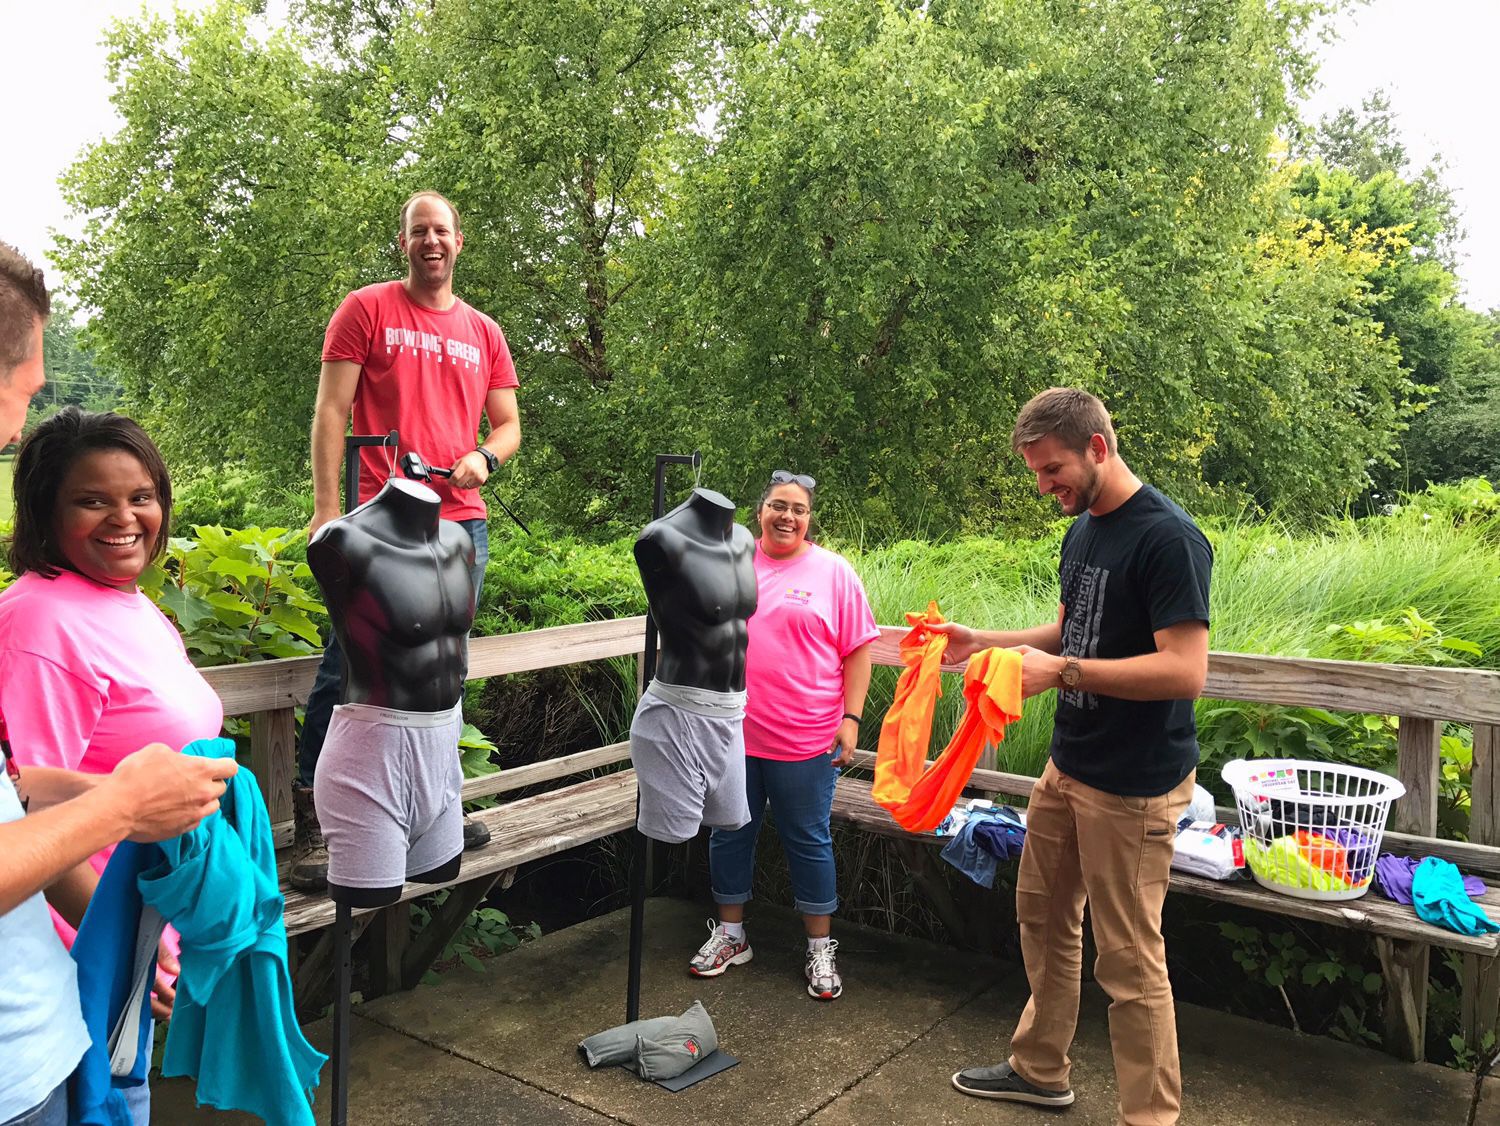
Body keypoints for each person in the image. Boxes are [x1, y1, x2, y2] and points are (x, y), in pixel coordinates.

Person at [0, 240, 237, 1126]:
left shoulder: (133, 606)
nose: (125, 517)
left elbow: (30, 788)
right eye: (92, 501)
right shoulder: (38, 620)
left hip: (143, 930)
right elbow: (37, 817)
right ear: (46, 514)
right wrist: (123, 949)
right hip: (84, 957)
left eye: (141, 495)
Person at [942, 389, 1211, 1125]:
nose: (1043, 487)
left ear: (1098, 447)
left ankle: (1150, 1118)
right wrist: (985, 643)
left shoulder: (1168, 538)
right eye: (1035, 473)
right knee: (1042, 914)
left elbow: (1185, 671)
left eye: (1052, 469)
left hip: (1134, 786)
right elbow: (1070, 630)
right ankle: (1039, 1070)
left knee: (1128, 961)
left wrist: (1061, 676)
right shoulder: (1085, 530)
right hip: (1070, 766)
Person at [293, 189, 522, 889]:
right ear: (404, 243)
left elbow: (509, 424)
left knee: (443, 665)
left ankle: (436, 808)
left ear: (459, 241)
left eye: (442, 230)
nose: (431, 241)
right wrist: (329, 507)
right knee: (349, 664)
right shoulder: (366, 310)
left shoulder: (484, 331)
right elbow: (332, 409)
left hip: (460, 521)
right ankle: (316, 827)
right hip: (379, 521)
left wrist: (486, 456)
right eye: (418, 230)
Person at [688, 470, 879, 1001]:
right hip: (734, 733)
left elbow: (858, 649)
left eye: (797, 508)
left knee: (808, 841)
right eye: (777, 505)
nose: (786, 516)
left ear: (808, 519)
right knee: (730, 831)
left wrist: (852, 719)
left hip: (807, 737)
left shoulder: (834, 573)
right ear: (759, 512)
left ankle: (820, 949)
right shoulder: (735, 563)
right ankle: (731, 935)